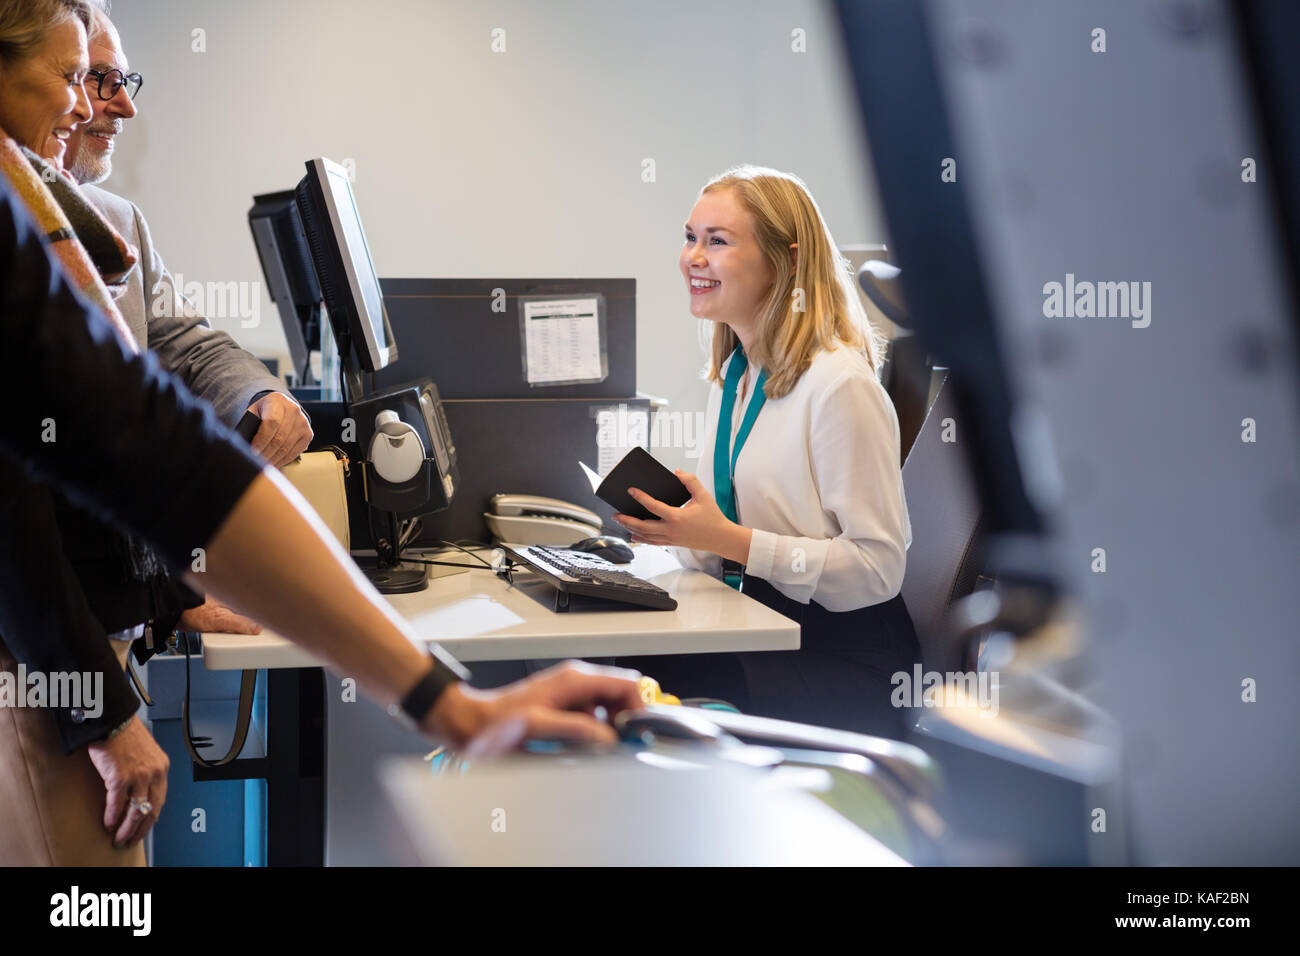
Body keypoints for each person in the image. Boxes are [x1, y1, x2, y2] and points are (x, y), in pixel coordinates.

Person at [1, 177, 644, 864]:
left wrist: (454, 708)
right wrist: (103, 713)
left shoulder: (45, 230)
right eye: (76, 77)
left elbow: (178, 469)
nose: (98, 105)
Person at [615, 165, 919, 739]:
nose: (693, 257)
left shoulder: (838, 385)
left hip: (847, 664)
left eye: (718, 241)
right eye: (690, 237)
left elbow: (879, 569)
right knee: (626, 674)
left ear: (787, 260)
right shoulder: (737, 373)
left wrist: (724, 539)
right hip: (765, 626)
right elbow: (731, 541)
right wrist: (679, 531)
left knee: (649, 691)